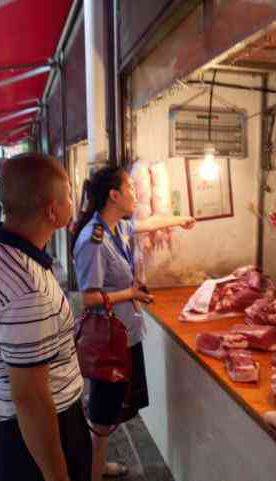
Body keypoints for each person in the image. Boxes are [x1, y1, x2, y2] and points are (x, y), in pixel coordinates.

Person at [0, 153, 91, 481]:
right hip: (35, 437)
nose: (73, 202)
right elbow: (31, 399)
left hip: (9, 425)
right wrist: (56, 475)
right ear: (53, 210)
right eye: (68, 195)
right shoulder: (26, 291)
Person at [72, 166, 195, 481]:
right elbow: (89, 297)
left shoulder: (117, 228)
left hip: (125, 334)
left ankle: (97, 464)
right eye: (130, 187)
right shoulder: (93, 239)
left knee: (112, 410)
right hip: (108, 341)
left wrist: (181, 220)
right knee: (102, 413)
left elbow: (148, 223)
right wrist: (131, 293)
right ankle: (93, 472)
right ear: (114, 195)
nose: (136, 193)